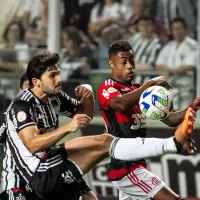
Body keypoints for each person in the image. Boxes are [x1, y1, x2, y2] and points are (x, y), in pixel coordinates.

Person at [3, 50, 196, 200]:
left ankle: (174, 144)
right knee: (104, 143)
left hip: (51, 162)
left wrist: (87, 95)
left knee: (94, 180)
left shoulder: (54, 97)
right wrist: (68, 128)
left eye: (58, 74)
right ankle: (173, 144)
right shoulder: (21, 106)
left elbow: (84, 116)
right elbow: (32, 144)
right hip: (33, 176)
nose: (59, 79)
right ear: (35, 82)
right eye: (53, 76)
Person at [97, 40, 200, 200]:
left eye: (132, 60)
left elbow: (171, 119)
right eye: (123, 62)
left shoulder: (138, 91)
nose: (129, 66)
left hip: (136, 164)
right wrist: (150, 83)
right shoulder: (108, 87)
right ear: (111, 63)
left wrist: (192, 107)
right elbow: (121, 104)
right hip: (125, 166)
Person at [0, 72, 98, 200]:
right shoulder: (9, 117)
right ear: (21, 90)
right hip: (19, 179)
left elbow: (85, 115)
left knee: (88, 197)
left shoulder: (52, 102)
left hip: (49, 168)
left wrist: (88, 92)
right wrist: (68, 127)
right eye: (27, 87)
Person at [156, 17, 197, 110]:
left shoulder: (192, 45)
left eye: (179, 29)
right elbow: (158, 65)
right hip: (169, 89)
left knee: (183, 117)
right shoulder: (169, 46)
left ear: (185, 30)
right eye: (174, 29)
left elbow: (189, 67)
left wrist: (168, 69)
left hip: (185, 89)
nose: (177, 32)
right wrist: (173, 70)